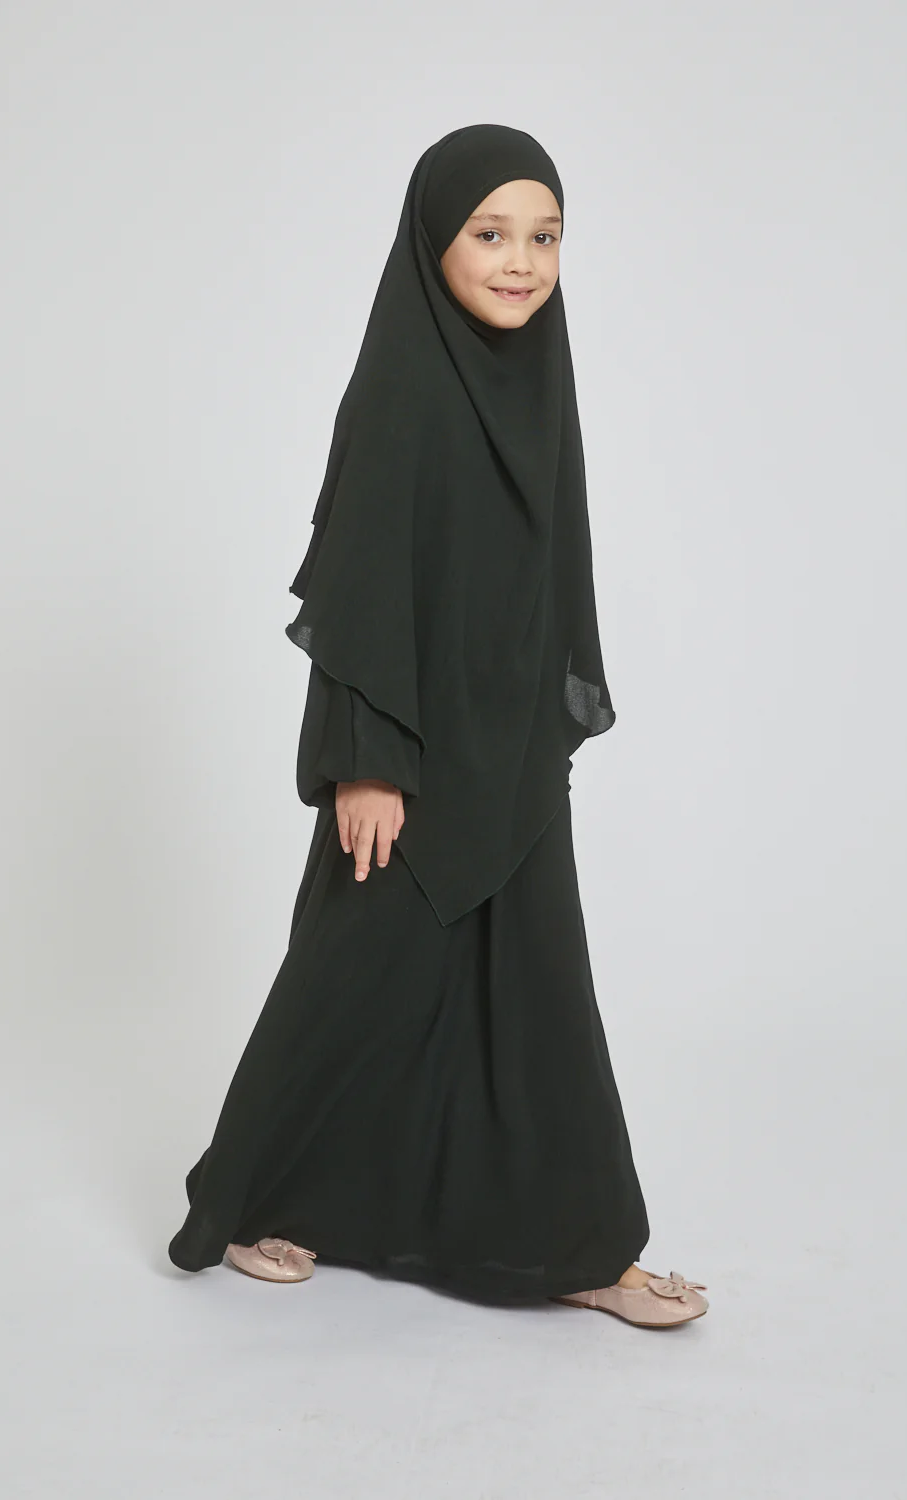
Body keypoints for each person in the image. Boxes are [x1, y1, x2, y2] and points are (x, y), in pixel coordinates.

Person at [167, 123, 709, 1331]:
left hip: (506, 740)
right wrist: (366, 762)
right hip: (405, 749)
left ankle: (577, 1247)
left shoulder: (537, 376)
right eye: (490, 233)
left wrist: (537, 724)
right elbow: (359, 584)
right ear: (432, 240)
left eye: (545, 236)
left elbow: (548, 565)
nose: (522, 261)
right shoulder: (403, 384)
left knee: (539, 989)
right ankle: (244, 1199)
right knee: (350, 980)